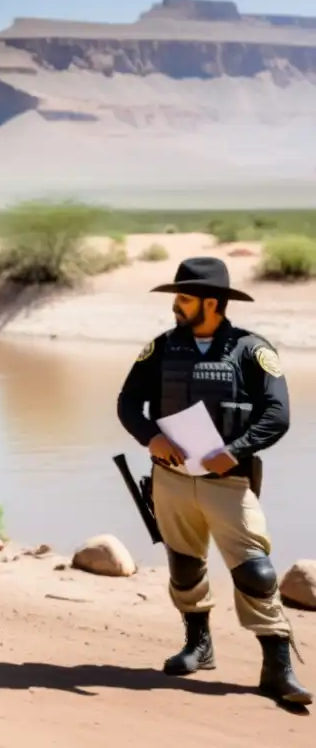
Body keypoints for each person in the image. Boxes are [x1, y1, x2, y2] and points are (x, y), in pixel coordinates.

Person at [116, 256, 310, 706]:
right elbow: (128, 403)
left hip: (230, 482)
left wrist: (235, 450)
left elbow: (277, 416)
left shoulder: (251, 350)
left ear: (211, 302)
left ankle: (277, 667)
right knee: (184, 567)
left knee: (256, 572)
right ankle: (198, 645)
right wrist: (152, 438)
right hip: (171, 480)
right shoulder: (161, 349)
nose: (175, 307)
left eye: (183, 299)